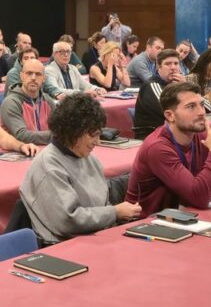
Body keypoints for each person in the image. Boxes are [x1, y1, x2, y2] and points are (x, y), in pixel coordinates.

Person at [21, 94, 140, 245]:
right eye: (93, 135)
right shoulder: (48, 166)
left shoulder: (89, 159)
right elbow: (68, 221)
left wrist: (115, 214)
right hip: (65, 246)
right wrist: (114, 213)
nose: (97, 142)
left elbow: (102, 203)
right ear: (73, 131)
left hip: (97, 236)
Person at [125, 81, 211, 215]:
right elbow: (199, 198)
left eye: (201, 104)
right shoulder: (157, 147)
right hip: (147, 224)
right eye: (191, 107)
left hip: (183, 217)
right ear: (170, 115)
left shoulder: (203, 137)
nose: (202, 112)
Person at [0, 58, 57, 145]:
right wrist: (59, 136)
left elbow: (60, 127)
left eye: (38, 74)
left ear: (44, 79)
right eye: (29, 73)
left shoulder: (47, 100)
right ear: (21, 76)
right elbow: (22, 135)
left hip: (45, 150)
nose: (33, 78)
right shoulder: (11, 102)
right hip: (18, 153)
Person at [133, 50, 186, 139]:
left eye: (176, 63)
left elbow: (203, 107)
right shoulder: (152, 85)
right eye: (168, 64)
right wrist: (182, 89)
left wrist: (184, 86)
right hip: (153, 136)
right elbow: (168, 111)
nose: (173, 67)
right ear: (158, 67)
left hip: (172, 132)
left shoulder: (178, 84)